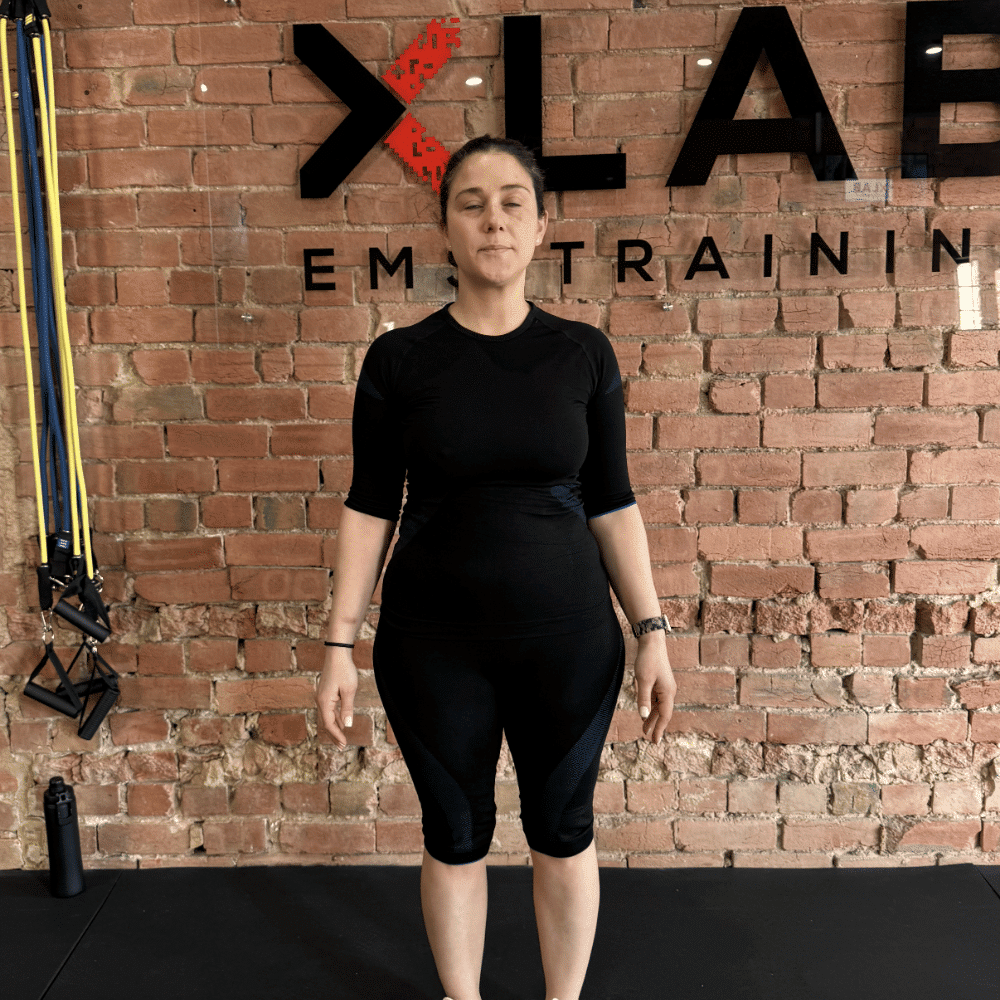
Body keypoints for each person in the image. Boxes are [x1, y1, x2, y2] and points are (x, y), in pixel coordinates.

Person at [316, 135, 675, 1000]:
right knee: (454, 834)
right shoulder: (399, 360)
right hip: (432, 647)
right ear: (444, 229)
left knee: (564, 830)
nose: (494, 219)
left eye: (514, 201)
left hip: (572, 645)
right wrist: (338, 646)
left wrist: (653, 630)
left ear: (542, 227)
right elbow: (369, 507)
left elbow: (613, 501)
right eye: (472, 202)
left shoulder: (584, 354)